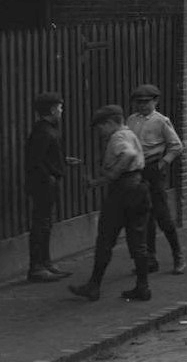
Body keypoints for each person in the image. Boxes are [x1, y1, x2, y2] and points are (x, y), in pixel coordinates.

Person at [69, 105, 151, 302]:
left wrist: (113, 173)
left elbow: (128, 155)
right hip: (139, 188)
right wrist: (96, 183)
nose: (100, 132)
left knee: (105, 240)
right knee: (138, 240)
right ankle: (143, 287)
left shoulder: (118, 137)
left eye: (100, 127)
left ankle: (94, 286)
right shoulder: (130, 133)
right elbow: (130, 166)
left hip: (122, 195)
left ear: (110, 123)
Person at [126, 84, 186, 275]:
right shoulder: (131, 120)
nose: (142, 106)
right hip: (137, 170)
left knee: (162, 215)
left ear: (155, 101)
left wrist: (162, 163)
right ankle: (150, 259)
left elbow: (176, 146)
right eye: (139, 103)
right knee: (144, 215)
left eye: (146, 102)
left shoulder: (161, 121)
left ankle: (178, 255)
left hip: (154, 169)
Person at [25, 91, 79, 282]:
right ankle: (37, 268)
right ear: (52, 109)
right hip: (44, 184)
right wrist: (49, 177)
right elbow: (35, 161)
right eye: (59, 107)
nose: (62, 111)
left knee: (46, 223)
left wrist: (62, 161)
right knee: (41, 224)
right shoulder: (43, 131)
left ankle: (45, 262)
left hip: (48, 182)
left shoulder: (47, 129)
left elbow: (46, 156)